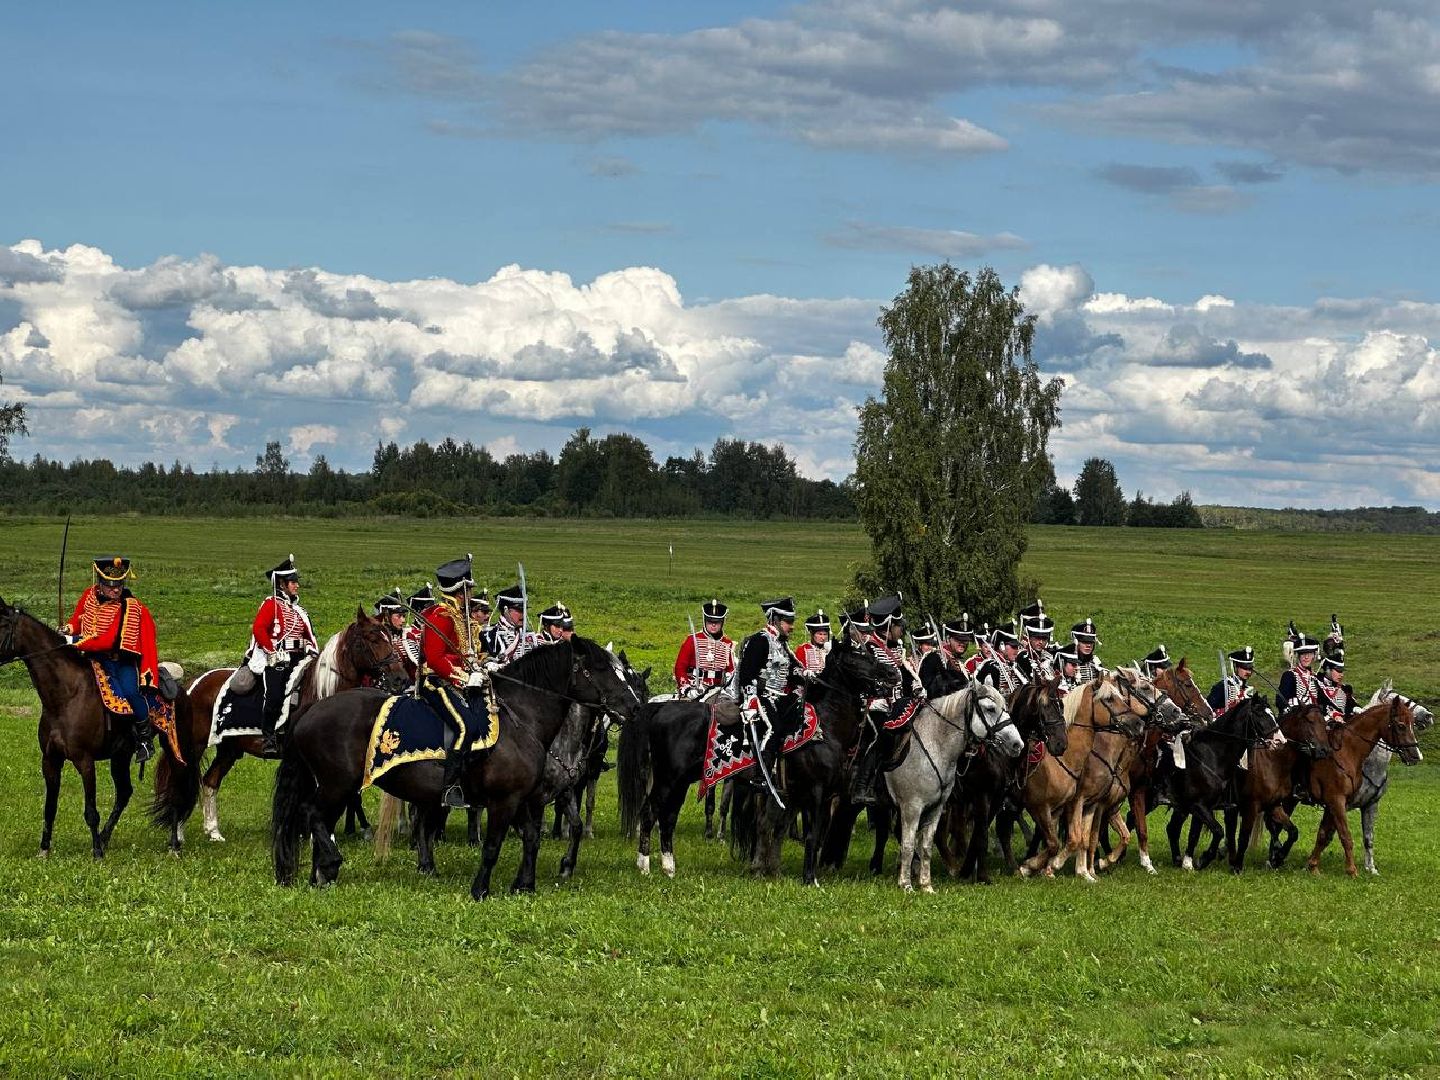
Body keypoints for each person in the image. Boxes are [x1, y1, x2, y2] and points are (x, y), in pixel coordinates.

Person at [61, 555, 165, 762]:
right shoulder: (88, 596)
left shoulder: (128, 608)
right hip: (92, 658)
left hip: (119, 661)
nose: (115, 590)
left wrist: (72, 641)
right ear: (100, 583)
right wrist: (68, 629)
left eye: (119, 585)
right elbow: (78, 620)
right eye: (110, 585)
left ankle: (144, 740)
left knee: (131, 692)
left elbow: (107, 640)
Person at [419, 555, 493, 809]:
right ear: (460, 592)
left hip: (464, 682)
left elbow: (470, 654)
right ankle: (450, 787)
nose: (471, 594)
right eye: (468, 590)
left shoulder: (464, 618)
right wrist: (462, 675)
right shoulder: (440, 616)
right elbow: (435, 658)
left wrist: (487, 664)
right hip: (437, 682)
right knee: (465, 726)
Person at [711, 598, 807, 793]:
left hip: (779, 697)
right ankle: (761, 775)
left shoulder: (782, 644)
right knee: (774, 728)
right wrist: (752, 699)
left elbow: (793, 669)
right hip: (759, 696)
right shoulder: (760, 640)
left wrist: (806, 675)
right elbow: (746, 675)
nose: (791, 626)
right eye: (788, 622)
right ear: (775, 620)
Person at [245, 555, 318, 755]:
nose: (297, 586)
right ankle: (268, 736)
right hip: (277, 658)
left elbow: (309, 636)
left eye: (296, 582)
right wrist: (272, 651)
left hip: (299, 658)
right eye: (293, 582)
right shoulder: (271, 605)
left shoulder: (299, 611)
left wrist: (311, 649)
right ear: (282, 584)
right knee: (275, 694)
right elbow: (259, 629)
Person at [673, 599, 735, 699]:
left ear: (722, 622)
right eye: (710, 622)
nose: (713, 625)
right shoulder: (692, 640)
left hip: (719, 691)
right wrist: (687, 689)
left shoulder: (727, 643)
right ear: (705, 621)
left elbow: (730, 670)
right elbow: (680, 668)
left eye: (717, 622)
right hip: (694, 689)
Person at [483, 585, 537, 664]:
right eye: (519, 610)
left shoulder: (529, 635)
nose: (523, 614)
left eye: (524, 610)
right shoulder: (491, 635)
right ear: (506, 610)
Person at [974, 622, 1026, 695]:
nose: (1017, 650)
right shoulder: (989, 666)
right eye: (1013, 647)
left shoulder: (1015, 666)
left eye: (1017, 647)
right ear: (1002, 646)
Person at [1277, 631, 1321, 715]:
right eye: (1303, 654)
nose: (1306, 657)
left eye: (1309, 653)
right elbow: (1281, 699)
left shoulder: (1315, 677)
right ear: (1298, 656)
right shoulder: (1289, 675)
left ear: (1313, 656)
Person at [1207, 645, 1255, 716]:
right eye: (1244, 668)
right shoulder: (1222, 686)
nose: (1248, 672)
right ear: (1236, 667)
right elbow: (1208, 709)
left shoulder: (1247, 689)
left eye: (1250, 668)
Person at [1317, 650, 1352, 725]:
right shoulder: (1316, 684)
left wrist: (1357, 708)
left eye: (1342, 671)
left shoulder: (1345, 688)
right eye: (1338, 671)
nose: (1341, 675)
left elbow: (1350, 705)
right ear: (1327, 669)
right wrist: (1333, 715)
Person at [793, 610, 831, 675]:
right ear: (811, 634)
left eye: (825, 634)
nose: (823, 637)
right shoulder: (802, 649)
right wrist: (804, 672)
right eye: (819, 634)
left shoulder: (832, 649)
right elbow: (795, 670)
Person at [940, 614, 975, 683]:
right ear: (948, 639)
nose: (962, 643)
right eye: (958, 640)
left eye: (965, 640)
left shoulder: (956, 659)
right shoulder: (941, 659)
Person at [1070, 618, 1104, 685]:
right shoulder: (1066, 662)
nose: (1088, 645)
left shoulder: (1096, 662)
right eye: (1084, 642)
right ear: (1076, 642)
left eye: (1091, 642)